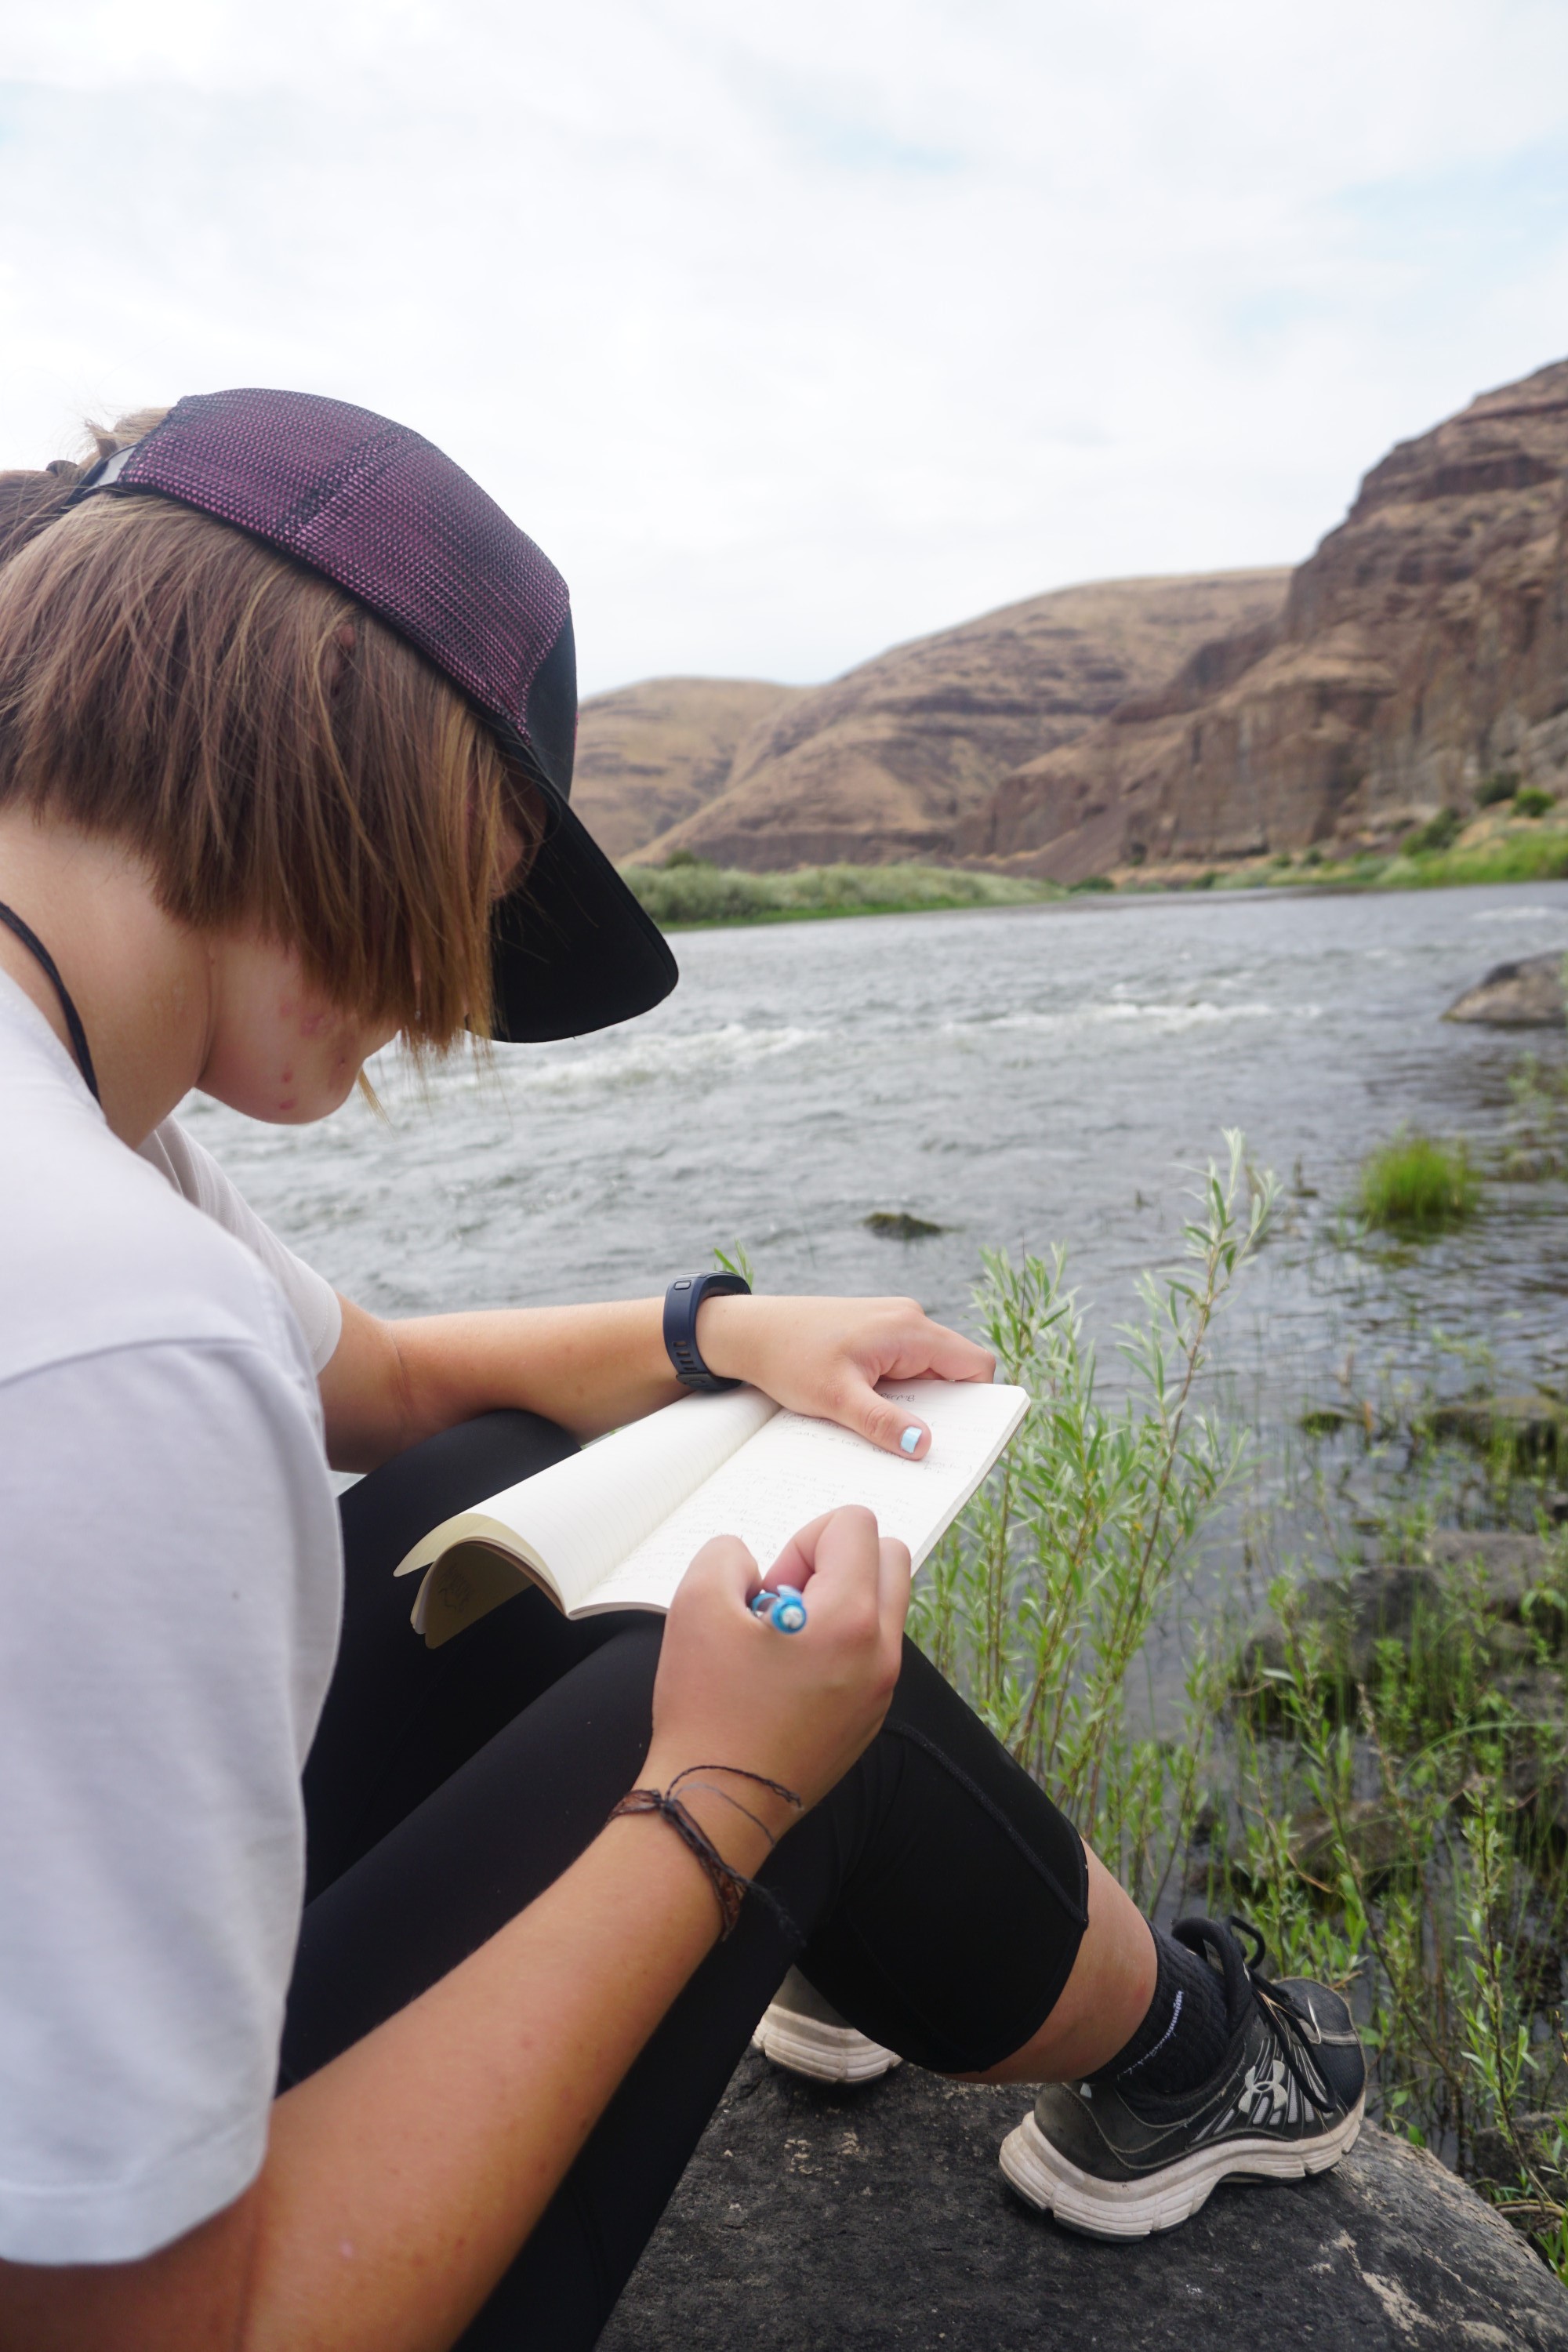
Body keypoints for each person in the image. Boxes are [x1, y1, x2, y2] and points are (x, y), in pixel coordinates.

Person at [0, 391, 1364, 2352]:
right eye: (485, 895)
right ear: (364, 762)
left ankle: (918, 1952)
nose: (457, 993)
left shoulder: (78, 1132)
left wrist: (715, 1332)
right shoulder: (112, 1334)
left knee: (484, 1481)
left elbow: (380, 1381)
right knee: (787, 1707)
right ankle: (1189, 2051)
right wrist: (720, 1798)